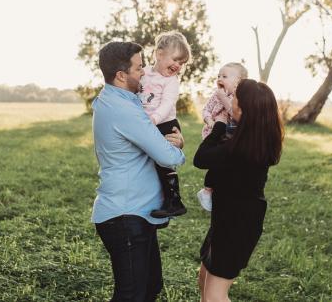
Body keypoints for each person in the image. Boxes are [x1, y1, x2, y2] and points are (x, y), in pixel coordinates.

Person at [91, 41, 186, 302]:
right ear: (121, 75)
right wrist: (178, 147)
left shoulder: (114, 101)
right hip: (125, 216)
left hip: (136, 213)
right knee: (131, 295)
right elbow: (167, 156)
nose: (144, 72)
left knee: (150, 288)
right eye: (139, 67)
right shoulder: (124, 110)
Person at [194, 79, 284, 302]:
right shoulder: (259, 141)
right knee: (204, 281)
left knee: (214, 296)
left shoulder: (236, 149)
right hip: (233, 221)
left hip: (235, 227)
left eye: (234, 98)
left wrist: (219, 125)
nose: (229, 100)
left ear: (244, 110)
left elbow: (201, 158)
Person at [138, 30, 191, 218]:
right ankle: (153, 197)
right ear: (159, 54)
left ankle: (174, 202)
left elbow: (167, 104)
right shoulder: (144, 74)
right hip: (148, 123)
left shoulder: (171, 81)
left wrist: (153, 119)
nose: (177, 65)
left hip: (165, 124)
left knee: (163, 164)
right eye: (175, 59)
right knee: (147, 162)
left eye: (181, 63)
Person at [197, 62, 248, 212]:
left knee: (226, 166)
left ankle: (218, 190)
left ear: (238, 81)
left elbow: (234, 113)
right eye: (219, 75)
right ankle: (207, 190)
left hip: (230, 136)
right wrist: (210, 121)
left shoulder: (239, 98)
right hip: (215, 133)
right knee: (215, 164)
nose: (220, 78)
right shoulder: (216, 95)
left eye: (224, 76)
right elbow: (206, 110)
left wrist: (223, 97)